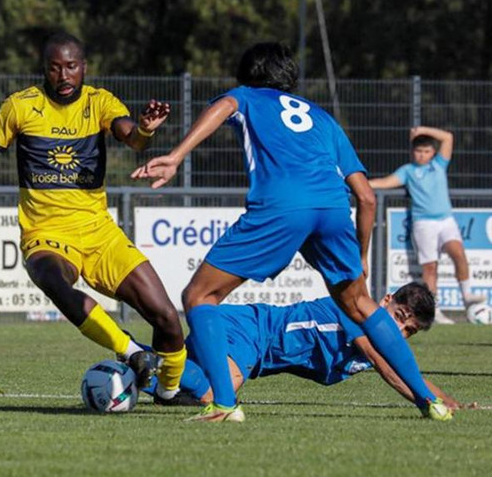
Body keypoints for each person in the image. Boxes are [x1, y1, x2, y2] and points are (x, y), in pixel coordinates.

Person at [132, 42, 452, 421]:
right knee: (361, 304)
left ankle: (224, 404)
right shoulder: (323, 118)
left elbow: (223, 107)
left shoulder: (247, 97)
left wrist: (177, 154)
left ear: (249, 76)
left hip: (283, 204)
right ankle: (429, 402)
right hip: (333, 208)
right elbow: (366, 198)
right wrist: (360, 257)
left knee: (199, 295)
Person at [0, 32, 187, 399]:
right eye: (54, 68)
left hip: (99, 234)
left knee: (167, 318)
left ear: (84, 68)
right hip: (45, 234)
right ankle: (129, 350)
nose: (63, 76)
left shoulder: (99, 102)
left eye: (71, 67)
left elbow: (131, 137)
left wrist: (145, 128)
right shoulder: (22, 106)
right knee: (53, 280)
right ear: (45, 71)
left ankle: (169, 391)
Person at [140, 282, 470, 418]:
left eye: (408, 330)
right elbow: (386, 366)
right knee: (215, 399)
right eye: (399, 318)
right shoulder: (355, 313)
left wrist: (447, 400)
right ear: (385, 302)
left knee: (184, 393)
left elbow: (404, 370)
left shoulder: (380, 341)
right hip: (247, 330)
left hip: (251, 344)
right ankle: (139, 353)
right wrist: (426, 404)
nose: (399, 331)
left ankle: (141, 366)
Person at [369, 126, 486, 324]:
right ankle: (435, 310)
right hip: (423, 223)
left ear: (432, 152)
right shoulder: (408, 171)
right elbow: (385, 182)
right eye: (418, 151)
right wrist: (358, 183)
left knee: (458, 252)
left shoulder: (438, 165)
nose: (422, 155)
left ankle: (467, 297)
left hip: (446, 219)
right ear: (412, 152)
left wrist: (422, 130)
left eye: (426, 151)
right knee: (430, 267)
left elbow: (448, 137)